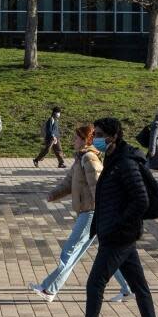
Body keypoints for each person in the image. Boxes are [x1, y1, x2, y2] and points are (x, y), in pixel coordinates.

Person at [54, 117, 158, 317]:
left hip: (118, 236)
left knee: (94, 284)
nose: (96, 138)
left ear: (113, 136)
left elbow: (141, 200)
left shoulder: (126, 163)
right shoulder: (113, 159)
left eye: (100, 134)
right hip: (119, 234)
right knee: (140, 288)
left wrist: (119, 224)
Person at [30, 123, 132, 303]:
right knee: (108, 252)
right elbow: (69, 182)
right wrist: (53, 195)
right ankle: (128, 288)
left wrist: (106, 213)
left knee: (69, 252)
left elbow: (98, 188)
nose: (73, 140)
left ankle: (50, 289)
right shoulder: (81, 158)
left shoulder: (89, 159)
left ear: (86, 140)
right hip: (91, 212)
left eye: (77, 137)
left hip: (91, 213)